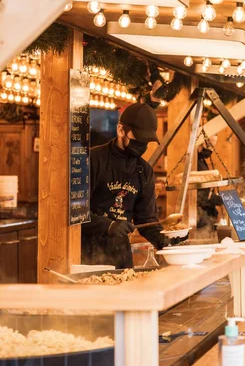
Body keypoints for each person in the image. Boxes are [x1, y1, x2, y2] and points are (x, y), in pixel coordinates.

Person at [82, 103, 176, 268]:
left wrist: (164, 240)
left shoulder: (144, 171)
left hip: (121, 256)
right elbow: (76, 212)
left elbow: (147, 219)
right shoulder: (93, 160)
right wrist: (109, 225)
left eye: (146, 141)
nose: (142, 145)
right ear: (120, 130)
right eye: (137, 139)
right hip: (87, 254)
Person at [197, 135, 223, 233]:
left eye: (213, 146)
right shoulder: (194, 161)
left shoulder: (201, 160)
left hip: (208, 213)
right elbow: (200, 194)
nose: (211, 149)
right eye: (209, 145)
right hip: (200, 214)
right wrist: (218, 199)